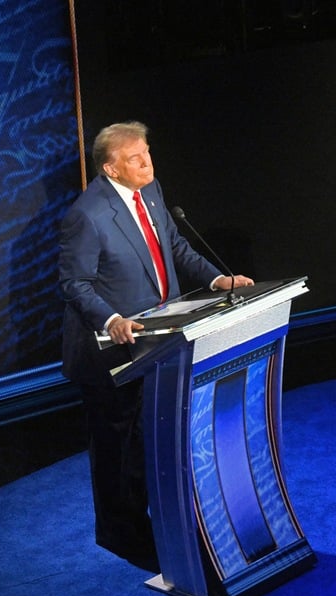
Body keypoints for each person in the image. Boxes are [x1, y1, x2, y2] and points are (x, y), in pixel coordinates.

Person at [58, 121, 253, 571]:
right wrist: (111, 319)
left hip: (158, 341)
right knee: (117, 444)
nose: (147, 163)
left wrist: (216, 278)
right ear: (111, 167)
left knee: (148, 439)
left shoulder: (152, 190)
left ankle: (147, 521)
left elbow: (175, 246)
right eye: (135, 158)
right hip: (109, 351)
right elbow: (75, 283)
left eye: (147, 153)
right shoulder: (86, 215)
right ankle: (118, 533)